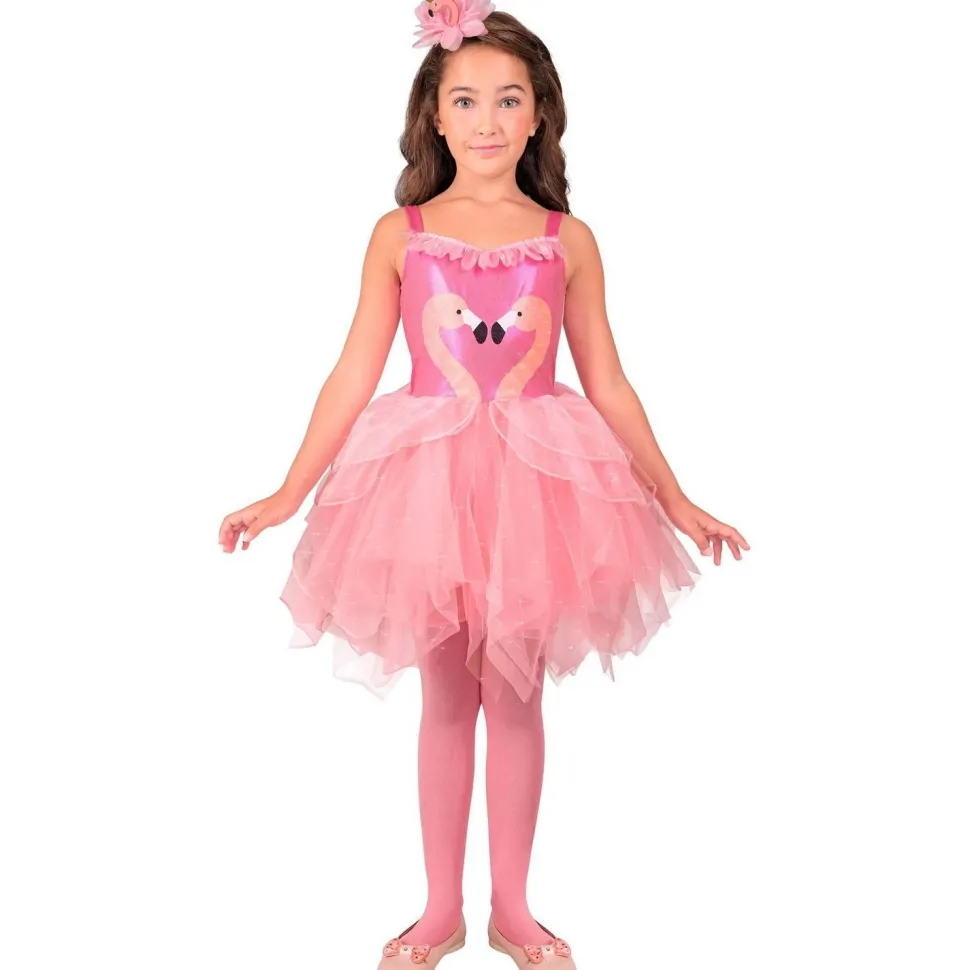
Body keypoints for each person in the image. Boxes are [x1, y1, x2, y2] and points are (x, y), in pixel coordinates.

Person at [218, 2, 749, 966]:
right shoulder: (402, 234)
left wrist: (675, 499)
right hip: (425, 489)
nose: (488, 120)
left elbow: (608, 380)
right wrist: (288, 492)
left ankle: (512, 907)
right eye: (466, 100)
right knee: (446, 701)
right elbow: (353, 370)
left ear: (540, 114)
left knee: (515, 700)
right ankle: (439, 912)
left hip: (537, 490)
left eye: (509, 99)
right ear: (435, 113)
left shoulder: (566, 239)